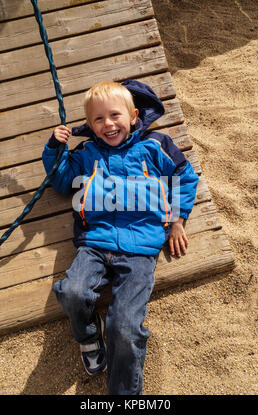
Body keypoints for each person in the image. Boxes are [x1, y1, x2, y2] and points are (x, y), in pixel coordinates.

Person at [42, 79, 199, 394]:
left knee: (125, 327)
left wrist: (177, 219)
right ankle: (87, 336)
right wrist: (55, 148)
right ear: (89, 125)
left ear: (133, 116)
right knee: (72, 293)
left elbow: (184, 177)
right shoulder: (86, 152)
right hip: (95, 243)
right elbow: (61, 181)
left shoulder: (155, 145)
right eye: (98, 119)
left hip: (141, 248)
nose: (108, 124)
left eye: (115, 115)